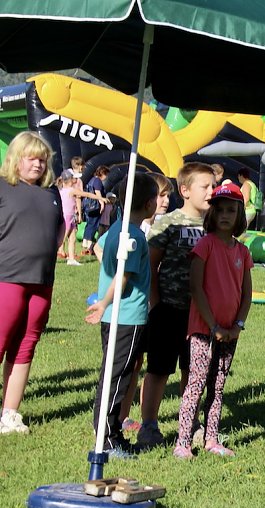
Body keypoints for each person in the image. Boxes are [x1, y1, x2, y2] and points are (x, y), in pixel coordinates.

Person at [137, 162, 214, 449]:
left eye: (212, 186)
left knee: (193, 371)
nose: (211, 192)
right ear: (185, 190)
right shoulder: (168, 223)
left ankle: (191, 422)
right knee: (158, 369)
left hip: (201, 314)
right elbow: (151, 266)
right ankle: (149, 425)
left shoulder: (214, 226)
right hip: (168, 310)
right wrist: (156, 306)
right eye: (204, 186)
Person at [173, 183, 252, 459]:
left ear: (240, 214)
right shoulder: (204, 245)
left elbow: (246, 294)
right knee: (195, 385)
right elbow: (196, 288)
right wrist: (214, 327)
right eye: (220, 210)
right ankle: (183, 442)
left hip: (230, 333)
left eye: (231, 210)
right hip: (204, 330)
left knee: (217, 388)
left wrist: (237, 327)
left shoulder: (243, 252)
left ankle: (211, 438)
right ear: (212, 213)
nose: (225, 215)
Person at [84, 173, 158, 459]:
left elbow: (100, 247)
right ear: (150, 204)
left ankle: (110, 432)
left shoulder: (116, 229)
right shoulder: (135, 237)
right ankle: (106, 437)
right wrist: (104, 302)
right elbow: (123, 276)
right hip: (125, 318)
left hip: (116, 316)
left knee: (113, 373)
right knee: (118, 377)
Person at [0, 131, 64, 434]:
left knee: (25, 348)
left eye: (42, 159)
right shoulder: (3, 187)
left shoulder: (51, 193)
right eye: (31, 158)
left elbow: (60, 228)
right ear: (16, 158)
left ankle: (10, 414)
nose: (37, 164)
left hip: (42, 282)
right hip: (7, 279)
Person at [119, 171, 174, 433]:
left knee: (143, 363)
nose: (164, 201)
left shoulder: (162, 225)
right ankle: (120, 413)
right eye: (161, 195)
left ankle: (135, 415)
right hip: (141, 303)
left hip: (156, 303)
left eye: (167, 196)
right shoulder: (137, 228)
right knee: (132, 361)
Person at [57, 169, 105, 265]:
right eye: (74, 178)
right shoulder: (71, 190)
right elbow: (86, 194)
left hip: (71, 217)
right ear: (70, 180)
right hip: (67, 217)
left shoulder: (62, 190)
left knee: (72, 238)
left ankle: (71, 259)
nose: (76, 180)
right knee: (62, 240)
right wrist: (100, 198)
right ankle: (51, 257)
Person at [81, 165, 110, 255]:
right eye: (106, 174)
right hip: (95, 205)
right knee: (93, 224)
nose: (106, 177)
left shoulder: (92, 180)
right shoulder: (98, 181)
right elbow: (98, 193)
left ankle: (85, 241)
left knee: (89, 224)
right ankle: (89, 242)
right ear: (102, 173)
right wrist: (101, 203)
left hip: (88, 205)